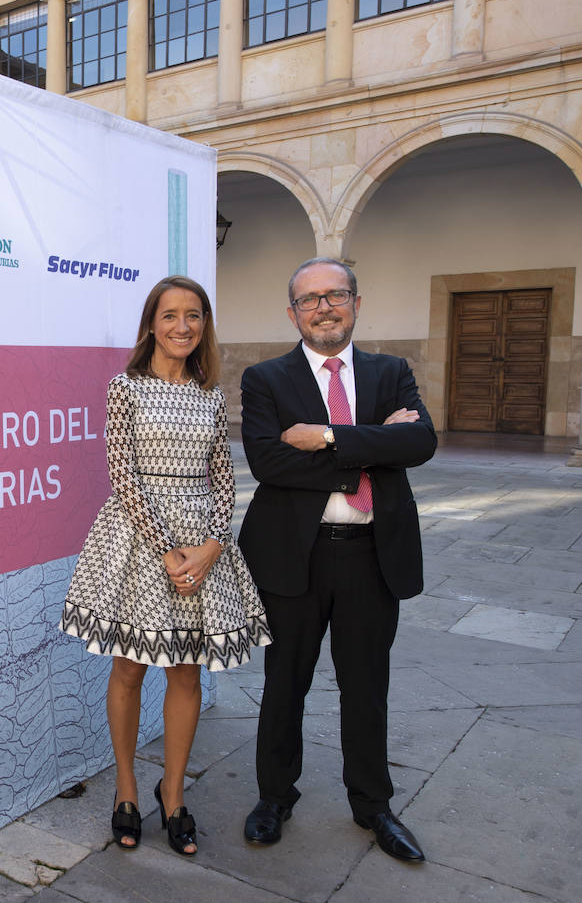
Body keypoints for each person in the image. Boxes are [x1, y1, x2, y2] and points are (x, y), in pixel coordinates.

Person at [60, 275, 272, 856]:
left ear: (204, 325)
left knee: (186, 671)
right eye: (171, 314)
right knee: (129, 668)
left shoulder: (211, 395)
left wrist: (212, 544)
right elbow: (123, 474)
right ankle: (127, 788)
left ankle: (173, 793)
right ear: (151, 323)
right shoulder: (125, 387)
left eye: (195, 315)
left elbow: (225, 478)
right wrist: (168, 550)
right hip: (137, 540)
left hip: (200, 541)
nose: (183, 326)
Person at [238, 257, 436, 863]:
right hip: (294, 558)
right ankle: (275, 797)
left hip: (372, 556)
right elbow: (270, 464)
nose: (324, 307)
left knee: (366, 687)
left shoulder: (389, 371)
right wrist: (378, 443)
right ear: (292, 312)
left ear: (356, 301)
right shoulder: (265, 378)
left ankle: (373, 805)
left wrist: (326, 437)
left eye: (336, 295)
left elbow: (421, 442)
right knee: (284, 686)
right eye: (310, 299)